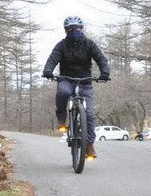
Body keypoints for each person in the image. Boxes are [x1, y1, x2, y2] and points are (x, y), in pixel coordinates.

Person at [42, 16, 110, 159]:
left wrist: (105, 72)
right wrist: (48, 71)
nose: (74, 31)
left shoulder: (89, 44)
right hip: (66, 79)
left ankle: (90, 145)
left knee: (89, 115)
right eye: (70, 29)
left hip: (85, 81)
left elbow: (101, 58)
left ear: (81, 29)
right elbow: (52, 59)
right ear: (66, 31)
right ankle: (62, 119)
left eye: (77, 28)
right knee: (63, 92)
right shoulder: (61, 45)